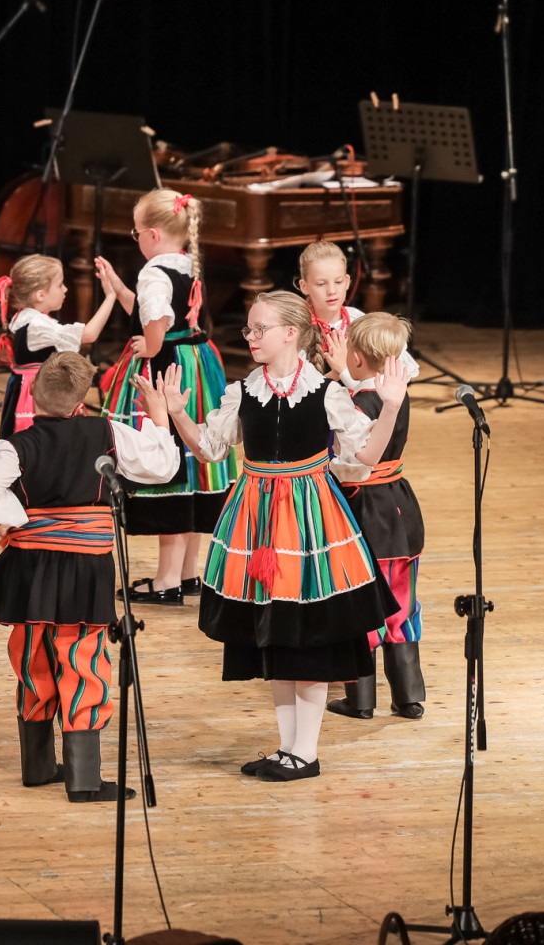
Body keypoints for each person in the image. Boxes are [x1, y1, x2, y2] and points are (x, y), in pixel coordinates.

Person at [158, 290, 408, 782]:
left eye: (259, 329)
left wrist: (392, 408)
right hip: (254, 521)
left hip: (309, 521)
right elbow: (210, 449)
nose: (250, 337)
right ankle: (288, 748)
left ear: (291, 333)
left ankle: (306, 752)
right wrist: (177, 413)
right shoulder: (243, 391)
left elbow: (364, 458)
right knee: (272, 631)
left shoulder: (325, 392)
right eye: (248, 329)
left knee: (306, 633)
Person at [0, 352, 180, 801]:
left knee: (32, 656)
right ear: (82, 401)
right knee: (84, 658)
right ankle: (83, 779)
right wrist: (158, 417)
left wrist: (14, 521)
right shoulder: (106, 433)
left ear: (33, 394)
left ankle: (38, 766)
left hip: (29, 566)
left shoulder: (14, 445)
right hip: (85, 567)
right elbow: (162, 467)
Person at [99, 190, 236, 605]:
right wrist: (119, 288)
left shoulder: (154, 271)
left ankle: (166, 581)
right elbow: (149, 309)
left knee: (169, 458)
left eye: (137, 232)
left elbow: (156, 318)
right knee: (193, 459)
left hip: (169, 365)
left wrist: (151, 347)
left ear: (153, 235)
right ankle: (187, 572)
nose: (135, 238)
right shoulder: (187, 264)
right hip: (199, 361)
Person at [328, 312, 427, 719]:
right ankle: (409, 698)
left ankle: (360, 700)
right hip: (400, 509)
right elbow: (369, 395)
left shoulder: (351, 404)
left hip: (364, 511)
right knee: (402, 605)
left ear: (355, 356)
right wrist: (345, 374)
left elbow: (349, 458)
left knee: (360, 604)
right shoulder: (396, 396)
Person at [0, 253, 118, 440]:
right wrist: (111, 296)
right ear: (40, 295)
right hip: (36, 395)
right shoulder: (37, 324)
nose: (65, 289)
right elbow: (89, 334)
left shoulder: (26, 317)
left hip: (30, 388)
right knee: (39, 442)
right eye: (60, 285)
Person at [296, 240, 419, 387]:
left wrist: (343, 370)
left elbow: (386, 383)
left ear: (348, 281)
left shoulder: (358, 320)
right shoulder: (296, 328)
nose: (332, 291)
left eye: (338, 282)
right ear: (304, 286)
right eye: (321, 284)